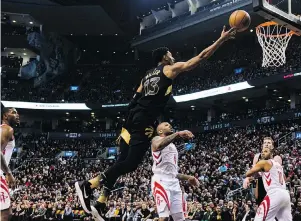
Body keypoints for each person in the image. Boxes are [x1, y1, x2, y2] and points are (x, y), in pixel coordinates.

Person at [75, 26, 237, 218]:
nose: (173, 55)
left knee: (120, 162)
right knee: (131, 164)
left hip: (130, 120)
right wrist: (221, 40)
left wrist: (126, 127)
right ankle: (88, 185)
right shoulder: (169, 69)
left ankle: (101, 203)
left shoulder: (146, 76)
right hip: (144, 121)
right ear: (164, 57)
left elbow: (134, 99)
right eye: (170, 53)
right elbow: (200, 58)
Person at [150, 122, 199, 221]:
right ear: (160, 131)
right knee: (163, 217)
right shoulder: (156, 139)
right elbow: (158, 145)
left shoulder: (172, 146)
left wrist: (189, 177)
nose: (170, 126)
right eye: (166, 125)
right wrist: (178, 134)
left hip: (174, 183)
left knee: (180, 217)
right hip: (161, 181)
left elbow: (174, 173)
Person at [245, 147, 292, 221]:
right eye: (262, 151)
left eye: (266, 151)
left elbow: (248, 173)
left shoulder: (264, 162)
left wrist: (255, 165)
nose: (263, 153)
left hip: (274, 193)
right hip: (285, 194)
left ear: (271, 153)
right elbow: (283, 178)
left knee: (259, 219)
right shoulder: (278, 165)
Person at [243, 137, 282, 206]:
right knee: (261, 207)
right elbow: (253, 171)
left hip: (273, 184)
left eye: (269, 143)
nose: (266, 144)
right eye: (265, 143)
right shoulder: (257, 156)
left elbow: (274, 172)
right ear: (262, 146)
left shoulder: (277, 157)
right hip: (261, 183)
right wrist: (248, 178)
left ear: (272, 147)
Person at [1, 107, 20, 221]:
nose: (17, 115)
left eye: (17, 113)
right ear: (5, 116)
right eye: (13, 112)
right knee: (5, 214)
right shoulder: (7, 129)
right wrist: (8, 173)